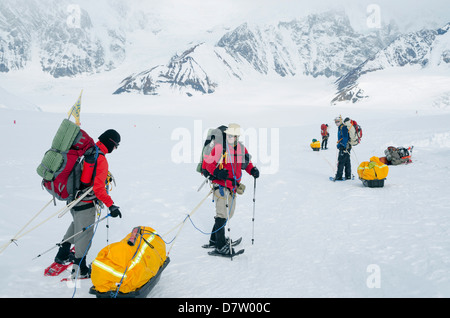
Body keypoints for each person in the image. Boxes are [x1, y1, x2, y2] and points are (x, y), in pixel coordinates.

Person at [54, 129, 122, 278]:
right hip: (85, 202)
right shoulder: (101, 159)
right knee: (84, 234)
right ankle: (80, 269)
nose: (115, 149)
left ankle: (62, 253)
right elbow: (98, 188)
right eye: (116, 146)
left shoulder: (89, 150)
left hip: (72, 199)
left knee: (77, 224)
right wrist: (111, 205)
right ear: (110, 143)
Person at [204, 123, 259, 256]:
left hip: (233, 186)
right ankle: (220, 245)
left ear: (237, 136)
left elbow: (246, 164)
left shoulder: (241, 148)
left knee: (229, 213)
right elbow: (207, 163)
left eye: (233, 136)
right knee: (222, 214)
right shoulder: (219, 148)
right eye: (229, 135)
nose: (230, 137)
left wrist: (253, 170)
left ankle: (214, 238)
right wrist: (217, 172)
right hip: (220, 185)